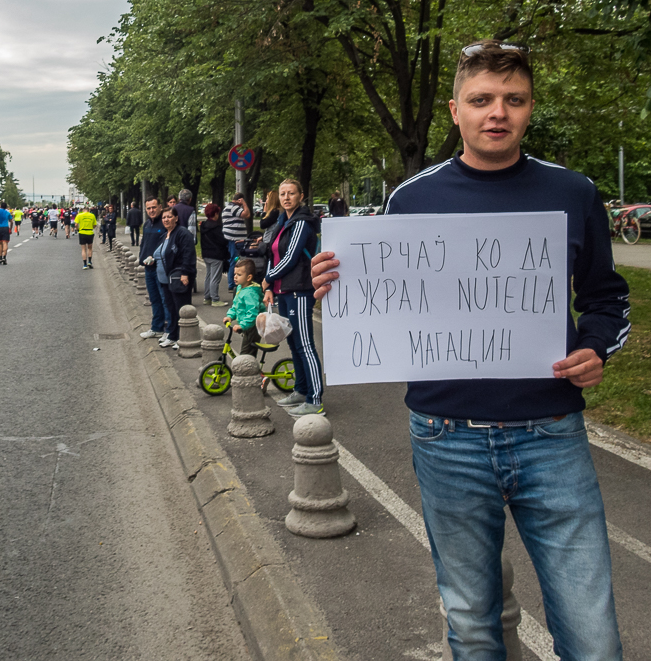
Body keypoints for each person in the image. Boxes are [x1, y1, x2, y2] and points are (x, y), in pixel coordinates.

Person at [312, 40, 630, 659]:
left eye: (513, 99)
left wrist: (596, 348)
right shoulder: (412, 198)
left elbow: (606, 298)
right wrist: (338, 290)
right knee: (471, 623)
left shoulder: (574, 193)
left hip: (552, 434)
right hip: (445, 436)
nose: (498, 112)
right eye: (482, 99)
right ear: (455, 110)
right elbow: (391, 303)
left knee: (593, 636)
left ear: (530, 108)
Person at [259, 179, 323, 417]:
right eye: (283, 194)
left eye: (291, 193)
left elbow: (291, 259)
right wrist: (270, 286)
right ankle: (300, 389)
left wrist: (268, 278)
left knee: (305, 344)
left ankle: (315, 399)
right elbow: (272, 255)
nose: (286, 197)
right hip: (284, 290)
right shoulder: (282, 222)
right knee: (294, 344)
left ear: (301, 196)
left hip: (300, 289)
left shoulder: (301, 223)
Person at [153, 206, 196, 349]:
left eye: (169, 217)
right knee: (170, 308)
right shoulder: (165, 234)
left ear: (176, 218)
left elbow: (188, 255)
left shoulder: (183, 233)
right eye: (164, 217)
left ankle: (181, 337)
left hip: (179, 277)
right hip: (166, 278)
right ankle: (172, 335)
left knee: (181, 308)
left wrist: (185, 273)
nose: (166, 220)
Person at [138, 197, 168, 341]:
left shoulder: (164, 224)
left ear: (160, 207)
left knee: (164, 299)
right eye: (149, 208)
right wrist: (141, 256)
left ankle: (169, 330)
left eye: (154, 207)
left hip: (160, 268)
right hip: (148, 268)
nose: (151, 210)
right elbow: (144, 242)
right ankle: (156, 328)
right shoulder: (147, 224)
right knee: (154, 299)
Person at [225, 259, 264, 356]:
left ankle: (249, 370)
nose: (235, 277)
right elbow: (236, 305)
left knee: (246, 354)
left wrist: (242, 325)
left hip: (252, 326)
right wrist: (230, 316)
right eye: (235, 274)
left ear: (249, 277)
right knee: (247, 352)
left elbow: (252, 313)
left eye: (239, 275)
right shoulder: (240, 288)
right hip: (247, 325)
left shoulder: (250, 293)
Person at [200, 203, 229, 307]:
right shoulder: (216, 227)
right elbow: (222, 241)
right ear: (216, 213)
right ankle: (215, 299)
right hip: (216, 254)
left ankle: (207, 297)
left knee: (208, 276)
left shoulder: (203, 225)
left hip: (206, 253)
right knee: (215, 278)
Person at [222, 192, 251, 291]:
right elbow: (247, 214)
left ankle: (234, 282)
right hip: (234, 240)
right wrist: (244, 204)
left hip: (233, 239)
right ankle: (232, 284)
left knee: (235, 260)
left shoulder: (229, 207)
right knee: (235, 261)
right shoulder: (234, 207)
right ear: (239, 200)